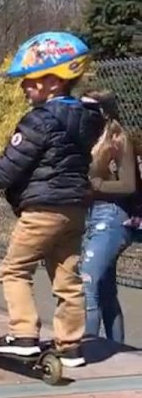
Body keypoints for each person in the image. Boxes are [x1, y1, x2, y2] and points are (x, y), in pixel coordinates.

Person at [0, 31, 106, 368]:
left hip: (43, 210)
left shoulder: (41, 120)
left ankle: (23, 336)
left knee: (14, 270)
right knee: (67, 277)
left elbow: (6, 170)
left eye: (30, 80)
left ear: (53, 81)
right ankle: (70, 346)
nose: (23, 87)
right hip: (74, 209)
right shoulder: (86, 119)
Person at [78, 89, 139, 343]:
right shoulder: (87, 138)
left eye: (90, 109)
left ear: (103, 111)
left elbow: (128, 185)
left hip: (113, 217)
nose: (83, 114)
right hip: (91, 216)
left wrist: (96, 185)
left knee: (87, 284)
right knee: (105, 291)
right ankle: (118, 350)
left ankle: (87, 347)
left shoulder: (118, 139)